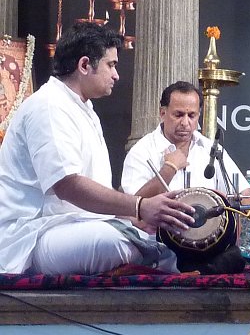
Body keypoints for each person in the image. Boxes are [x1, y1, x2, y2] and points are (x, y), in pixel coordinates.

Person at [0, 23, 194, 275]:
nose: (116, 75)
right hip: (33, 236)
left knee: (149, 235)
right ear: (84, 65)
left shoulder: (83, 109)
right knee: (113, 242)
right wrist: (139, 206)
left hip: (76, 226)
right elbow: (68, 186)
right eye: (111, 65)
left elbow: (94, 190)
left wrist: (133, 217)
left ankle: (165, 259)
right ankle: (164, 262)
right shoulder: (48, 105)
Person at [121, 81, 250, 244]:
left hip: (208, 246)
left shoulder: (210, 149)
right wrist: (169, 169)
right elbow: (133, 207)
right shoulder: (142, 151)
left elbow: (243, 194)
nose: (185, 123)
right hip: (157, 244)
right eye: (178, 115)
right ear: (163, 113)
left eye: (191, 116)